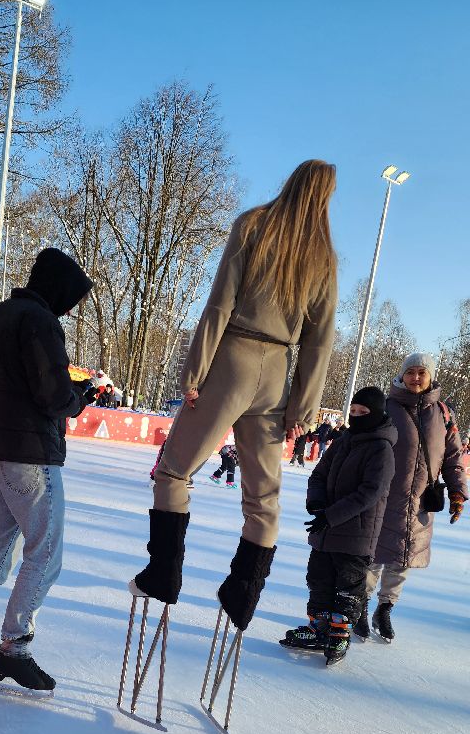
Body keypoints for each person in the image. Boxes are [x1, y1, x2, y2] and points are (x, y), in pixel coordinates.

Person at [130, 159, 338, 633]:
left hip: (233, 358)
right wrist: (302, 407)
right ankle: (242, 595)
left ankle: (163, 574)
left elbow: (220, 302)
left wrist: (196, 369)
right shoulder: (323, 257)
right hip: (278, 371)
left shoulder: (255, 225)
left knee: (174, 471)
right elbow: (320, 339)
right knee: (264, 499)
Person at [0, 248, 94, 689]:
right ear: (57, 289)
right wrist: (78, 399)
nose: (69, 310)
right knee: (45, 554)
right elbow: (52, 395)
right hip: (31, 455)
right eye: (70, 300)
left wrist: (66, 390)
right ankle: (15, 647)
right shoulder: (39, 321)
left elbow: (20, 379)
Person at [354, 352, 468, 642]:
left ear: (430, 377)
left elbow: (453, 457)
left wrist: (457, 492)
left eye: (422, 372)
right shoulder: (386, 407)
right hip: (384, 496)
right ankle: (361, 606)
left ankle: (385, 608)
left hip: (420, 502)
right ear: (401, 375)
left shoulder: (443, 413)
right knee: (373, 555)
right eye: (411, 372)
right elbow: (364, 445)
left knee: (404, 558)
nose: (416, 377)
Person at [281, 387, 397, 664]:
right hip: (326, 529)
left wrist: (330, 515)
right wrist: (317, 503)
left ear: (378, 414)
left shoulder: (381, 448)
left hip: (357, 533)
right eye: (353, 412)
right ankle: (319, 627)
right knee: (319, 579)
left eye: (363, 412)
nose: (356, 416)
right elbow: (319, 474)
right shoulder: (344, 440)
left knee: (348, 585)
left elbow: (370, 493)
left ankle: (340, 633)